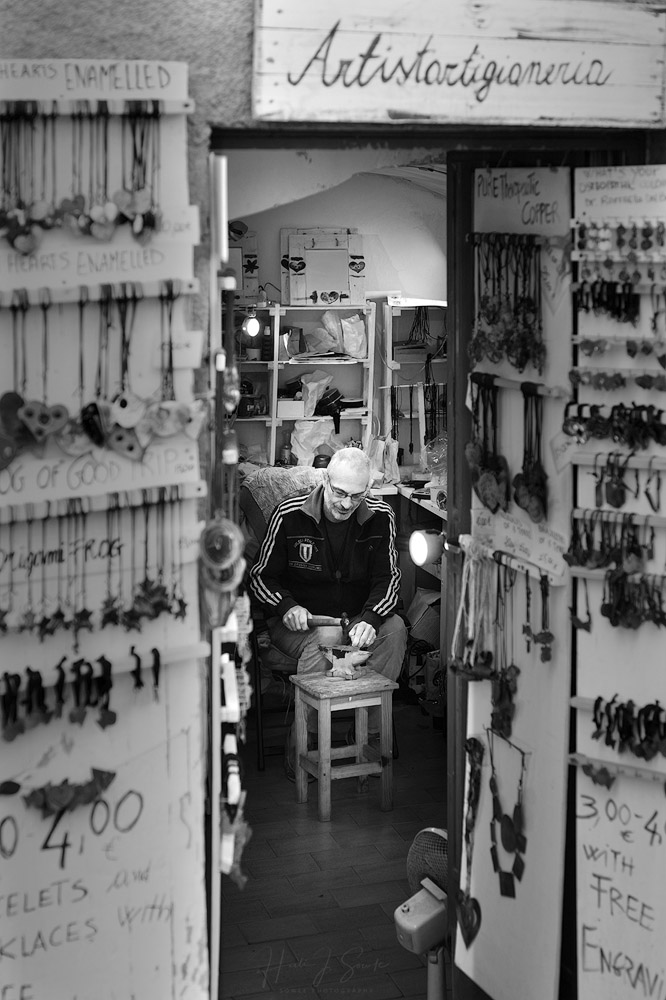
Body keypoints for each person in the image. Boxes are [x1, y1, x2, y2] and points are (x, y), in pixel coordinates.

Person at [249, 447, 407, 780]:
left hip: (355, 620)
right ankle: (304, 748)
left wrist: (372, 618)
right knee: (326, 636)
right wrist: (286, 606)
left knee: (394, 631)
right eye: (339, 493)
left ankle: (369, 735)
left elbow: (389, 579)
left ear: (366, 491)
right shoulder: (289, 514)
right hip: (299, 623)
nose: (347, 504)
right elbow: (261, 576)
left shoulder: (381, 515)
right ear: (324, 479)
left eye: (357, 495)